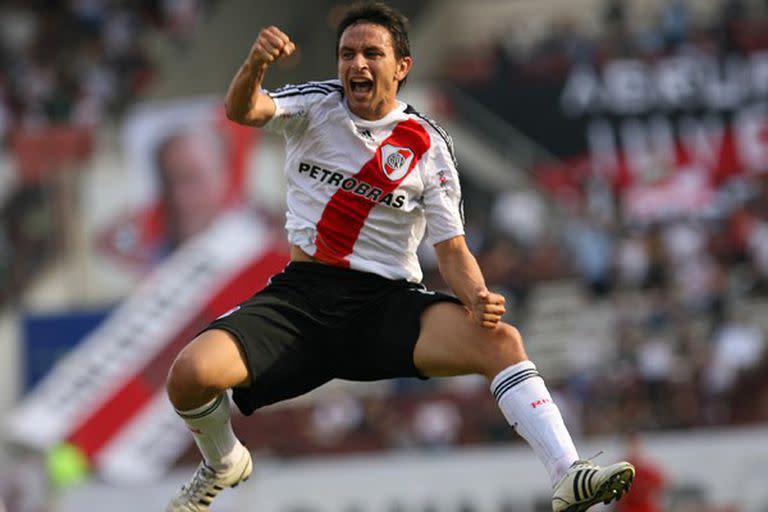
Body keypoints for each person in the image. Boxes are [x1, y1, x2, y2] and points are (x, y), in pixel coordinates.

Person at [164, 3, 635, 511]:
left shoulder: (429, 144)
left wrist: (475, 295)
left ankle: (568, 472)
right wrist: (256, 64)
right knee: (188, 376)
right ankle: (223, 459)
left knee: (501, 340)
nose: (356, 65)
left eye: (371, 53)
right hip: (302, 298)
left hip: (384, 305)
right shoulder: (315, 105)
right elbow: (243, 111)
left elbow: (451, 247)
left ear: (402, 66)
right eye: (347, 54)